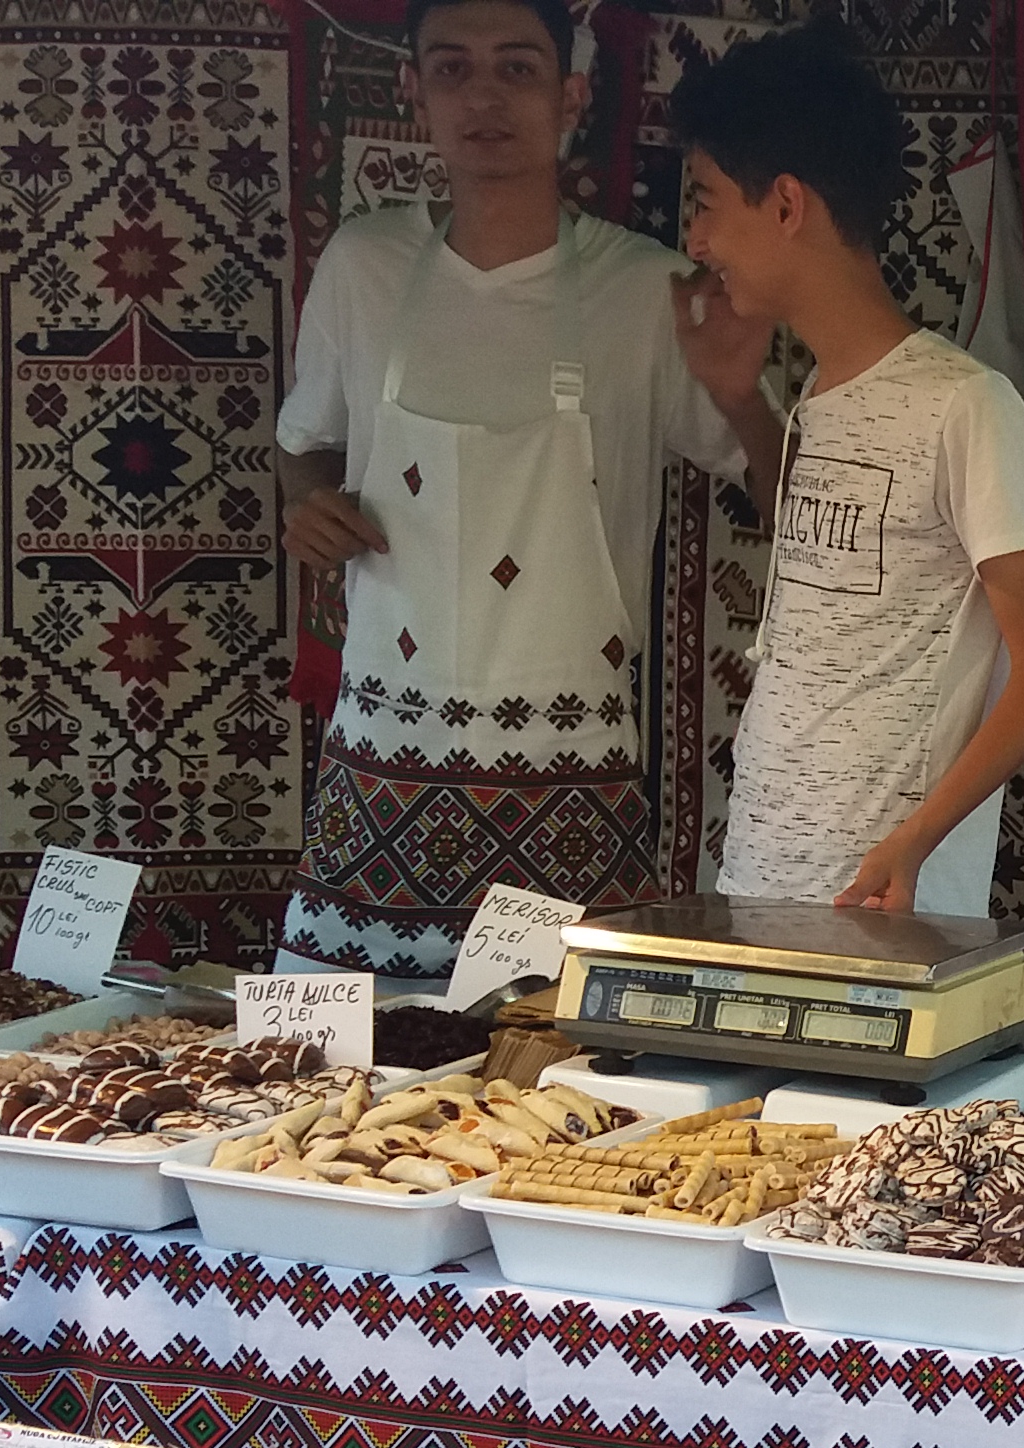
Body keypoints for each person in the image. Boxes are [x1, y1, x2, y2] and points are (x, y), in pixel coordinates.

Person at [275, 0, 780, 974]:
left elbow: (785, 499)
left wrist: (738, 395)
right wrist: (307, 501)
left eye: (517, 68)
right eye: (452, 69)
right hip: (380, 763)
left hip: (569, 773)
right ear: (413, 92)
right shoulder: (363, 267)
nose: (484, 97)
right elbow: (304, 441)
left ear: (572, 97)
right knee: (334, 1053)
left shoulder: (649, 290)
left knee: (561, 1053)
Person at [674, 22, 1024, 915]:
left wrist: (916, 841)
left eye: (705, 203)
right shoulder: (818, 394)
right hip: (761, 887)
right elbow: (831, 576)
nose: (696, 241)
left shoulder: (967, 405)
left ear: (785, 204)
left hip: (880, 911)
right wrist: (740, 401)